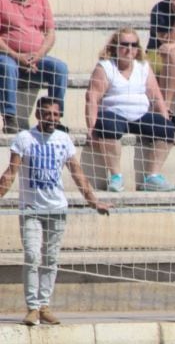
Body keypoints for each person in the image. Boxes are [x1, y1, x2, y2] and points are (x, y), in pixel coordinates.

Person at [0, 97, 111, 326]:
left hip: (57, 209)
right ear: (38, 115)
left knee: (50, 259)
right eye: (47, 114)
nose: (52, 118)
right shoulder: (24, 138)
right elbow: (11, 172)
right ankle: (31, 307)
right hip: (31, 209)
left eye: (56, 114)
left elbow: (77, 172)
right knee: (32, 256)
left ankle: (44, 306)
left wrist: (94, 201)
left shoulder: (63, 139)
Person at [84, 28, 175, 193]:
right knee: (107, 124)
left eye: (134, 45)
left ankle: (152, 177)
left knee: (167, 128)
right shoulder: (105, 67)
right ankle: (116, 176)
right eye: (124, 44)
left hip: (140, 115)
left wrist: (165, 118)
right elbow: (92, 98)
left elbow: (156, 96)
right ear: (114, 46)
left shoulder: (143, 66)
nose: (129, 49)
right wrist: (91, 128)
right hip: (114, 114)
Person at [0, 0, 67, 134]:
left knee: (60, 68)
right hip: (8, 56)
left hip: (36, 58)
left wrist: (38, 55)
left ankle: (56, 117)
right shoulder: (1, 0)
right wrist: (17, 56)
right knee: (7, 66)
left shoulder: (41, 0)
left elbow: (50, 34)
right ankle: (9, 117)